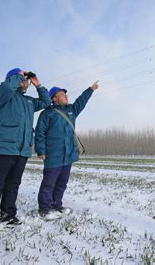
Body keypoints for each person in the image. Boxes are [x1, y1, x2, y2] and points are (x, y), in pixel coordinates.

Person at [0, 68, 52, 229]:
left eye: (26, 80)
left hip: (22, 150)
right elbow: (6, 87)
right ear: (13, 79)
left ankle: (8, 215)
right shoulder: (4, 96)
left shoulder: (29, 101)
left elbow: (46, 102)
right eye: (22, 79)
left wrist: (38, 85)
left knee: (13, 185)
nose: (25, 81)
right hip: (4, 148)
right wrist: (19, 75)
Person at [35, 81, 99, 220]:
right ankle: (44, 209)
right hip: (53, 155)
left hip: (68, 154)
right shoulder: (47, 114)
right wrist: (40, 150)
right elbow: (40, 133)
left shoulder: (71, 111)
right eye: (63, 94)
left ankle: (56, 204)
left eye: (66, 94)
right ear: (54, 98)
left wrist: (90, 89)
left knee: (62, 183)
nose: (66, 97)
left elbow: (80, 102)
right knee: (49, 183)